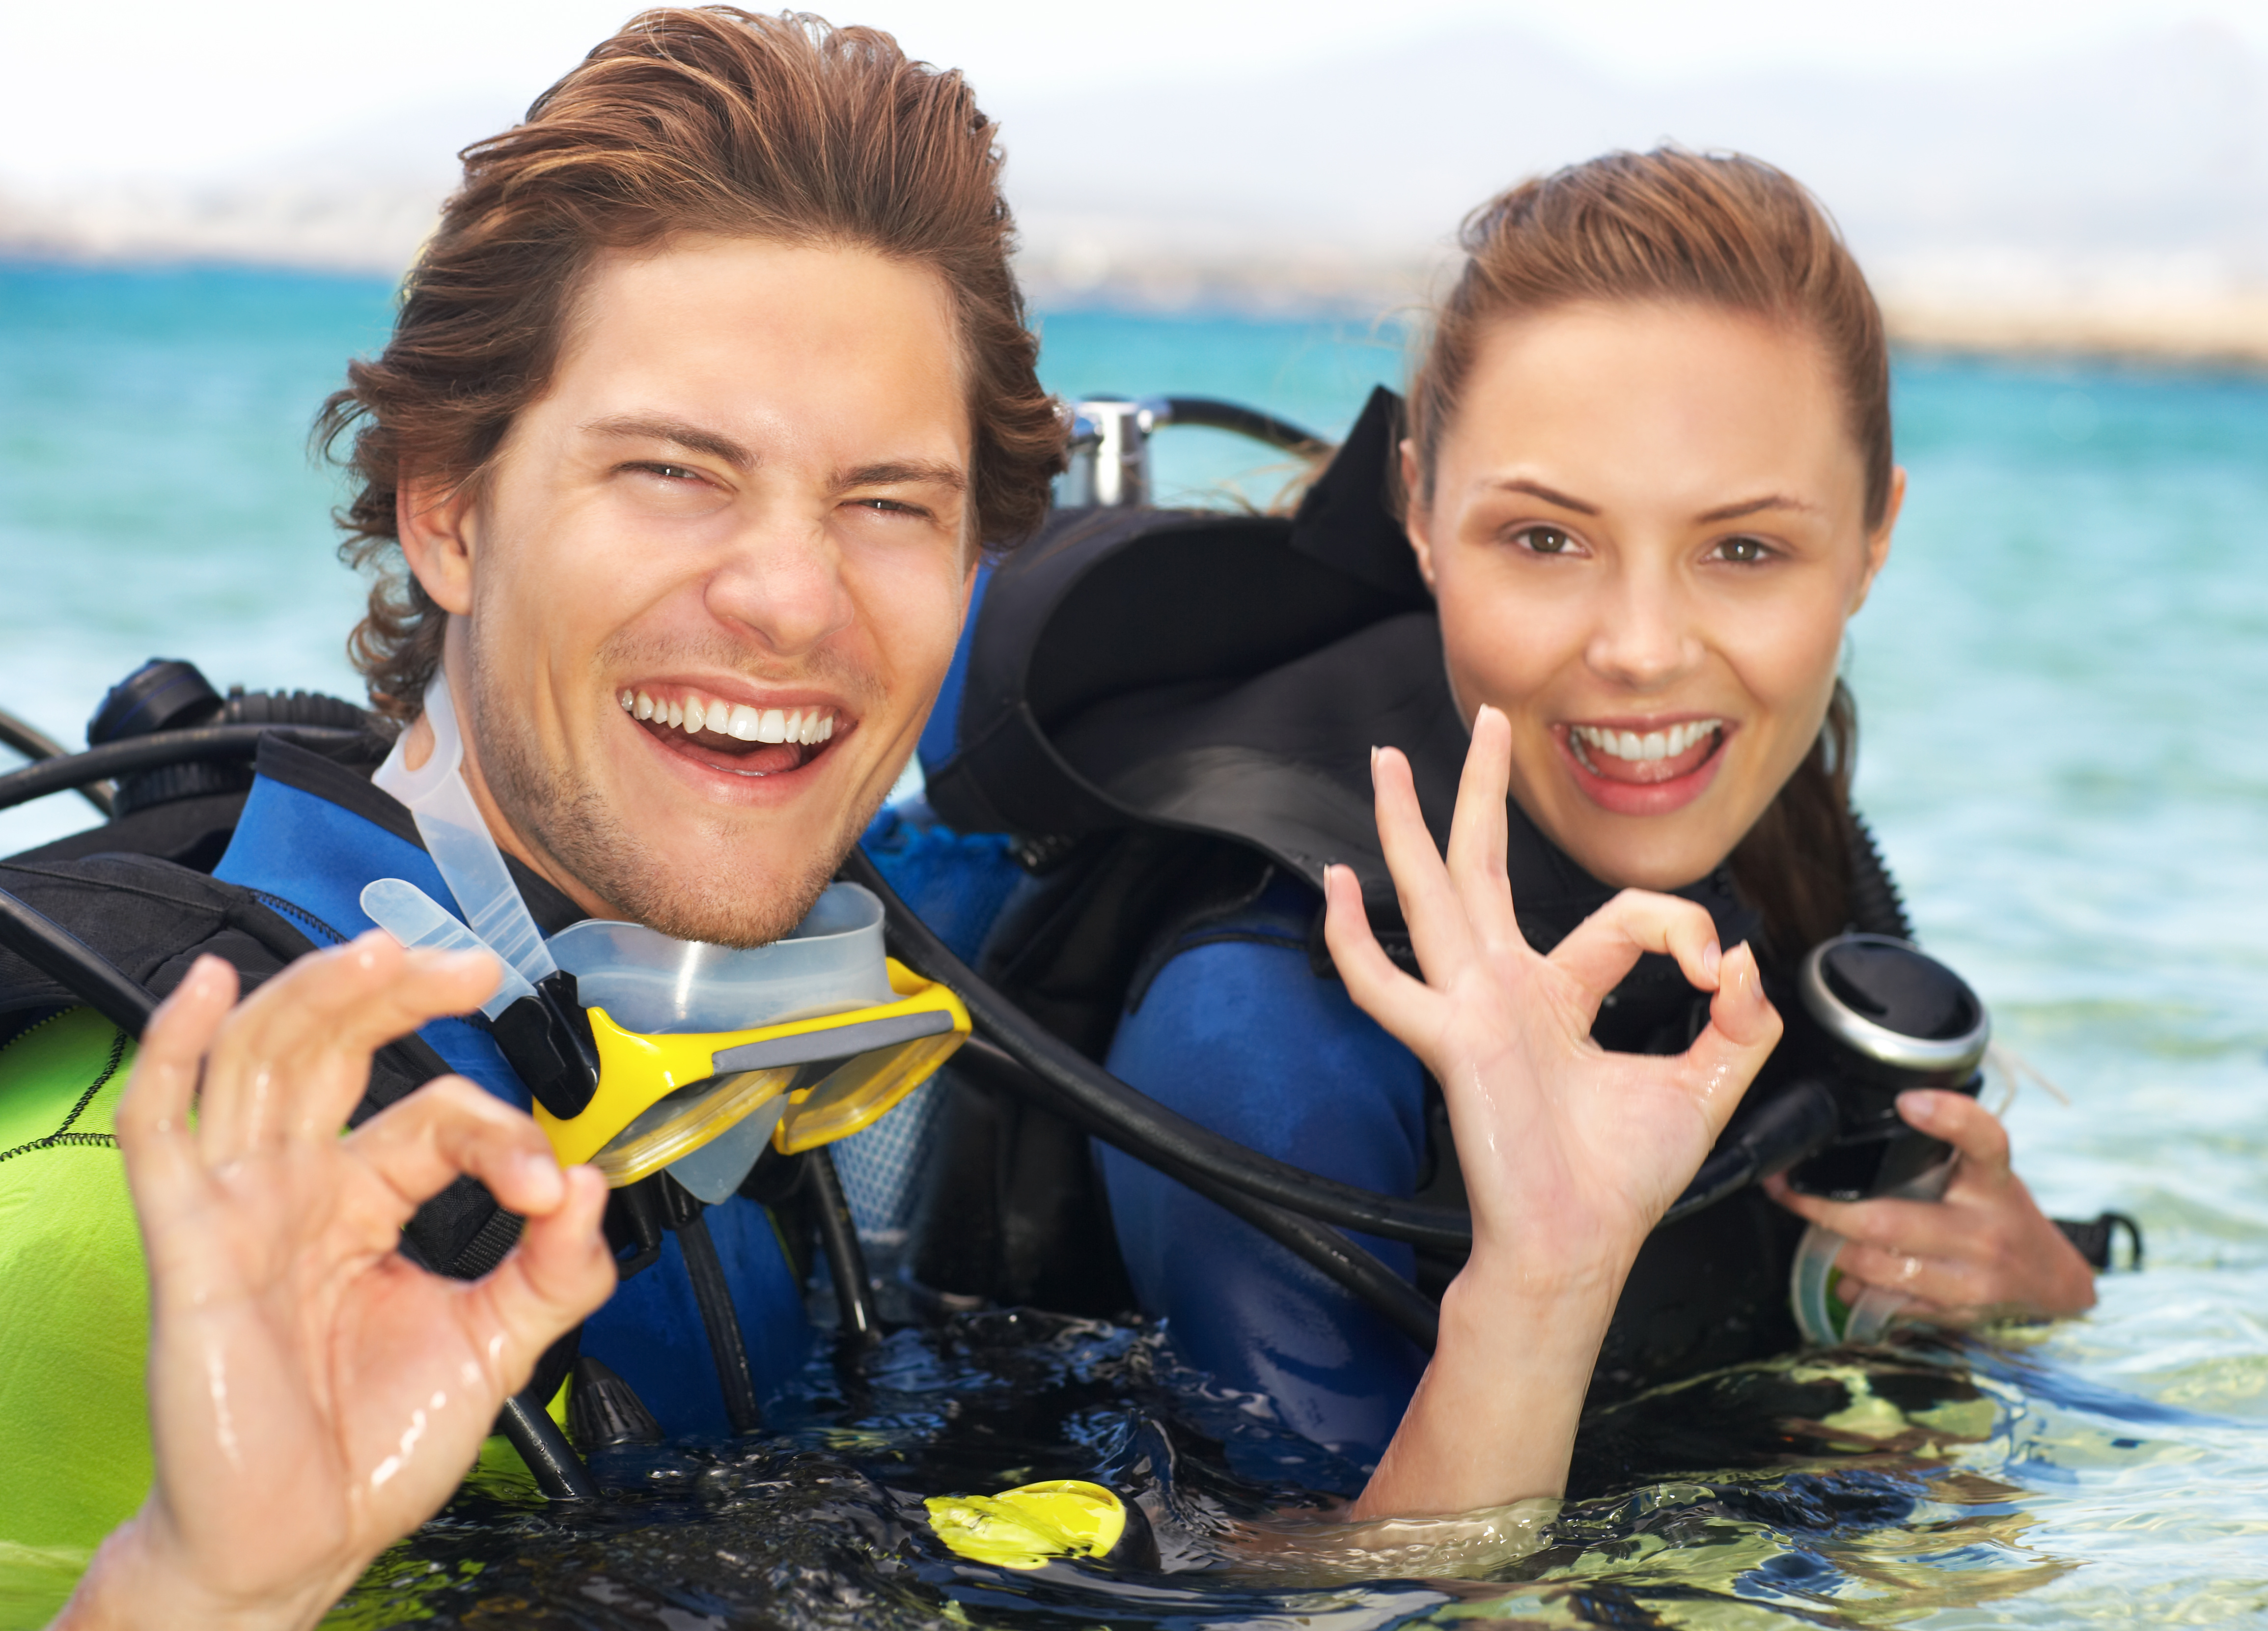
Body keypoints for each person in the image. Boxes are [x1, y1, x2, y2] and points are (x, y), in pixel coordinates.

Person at [0, 14, 1781, 1624]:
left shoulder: (743, 1042)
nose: (793, 601)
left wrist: (1543, 1269)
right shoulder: (130, 1212)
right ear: (449, 513)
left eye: (887, 502)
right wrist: (195, 1589)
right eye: (672, 473)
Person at [897, 148, 2100, 1475]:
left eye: (1744, 549)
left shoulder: (1752, 812)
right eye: (1545, 540)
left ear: (1873, 540)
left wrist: (2033, 1298)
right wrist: (1543, 1282)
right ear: (1418, 513)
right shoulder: (1260, 1019)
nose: (1643, 649)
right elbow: (1341, 1594)